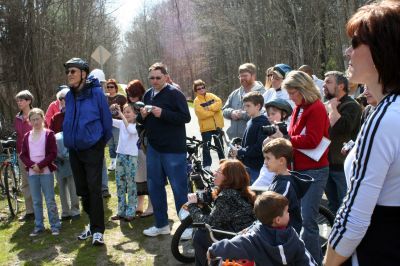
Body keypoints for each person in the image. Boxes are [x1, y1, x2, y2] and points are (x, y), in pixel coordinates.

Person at [325, 1, 400, 265]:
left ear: (383, 50)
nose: (348, 52)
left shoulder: (385, 117)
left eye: (356, 43)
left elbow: (354, 217)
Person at [137, 62, 191, 237]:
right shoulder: (147, 94)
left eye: (158, 77)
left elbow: (186, 117)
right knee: (155, 187)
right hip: (153, 149)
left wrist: (164, 113)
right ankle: (161, 225)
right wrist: (142, 116)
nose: (154, 81)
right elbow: (142, 121)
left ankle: (187, 227)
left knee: (179, 188)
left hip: (174, 150)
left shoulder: (175, 94)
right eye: (151, 78)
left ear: (166, 77)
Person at [63, 58, 112, 246]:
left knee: (94, 189)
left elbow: (106, 121)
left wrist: (99, 144)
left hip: (93, 148)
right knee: (82, 190)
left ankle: (98, 230)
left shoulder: (97, 93)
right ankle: (92, 224)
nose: (69, 75)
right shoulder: (69, 95)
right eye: (68, 72)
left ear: (83, 73)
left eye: (73, 71)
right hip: (74, 149)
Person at [283, 70, 330, 264]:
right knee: (301, 219)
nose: (290, 97)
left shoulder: (316, 107)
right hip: (299, 169)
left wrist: (286, 140)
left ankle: (314, 262)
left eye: (293, 93)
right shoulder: (299, 107)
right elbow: (295, 133)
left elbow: (312, 140)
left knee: (308, 222)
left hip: (314, 170)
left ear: (303, 89)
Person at [207, 191, 317, 266]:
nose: (289, 214)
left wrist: (213, 250)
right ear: (278, 220)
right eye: (287, 211)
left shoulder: (254, 237)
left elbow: (233, 244)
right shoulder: (292, 236)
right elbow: (305, 258)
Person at [187, 159, 256, 266]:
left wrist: (192, 205)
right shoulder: (242, 191)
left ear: (228, 178)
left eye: (218, 172)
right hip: (247, 237)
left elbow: (207, 223)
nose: (214, 173)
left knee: (200, 235)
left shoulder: (227, 196)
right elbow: (220, 216)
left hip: (237, 240)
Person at [323, 71, 361, 214]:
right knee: (333, 206)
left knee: (345, 206)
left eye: (328, 82)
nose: (324, 86)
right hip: (327, 164)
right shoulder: (327, 105)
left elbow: (342, 128)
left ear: (340, 86)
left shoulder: (352, 105)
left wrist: (332, 108)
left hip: (343, 165)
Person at [19, 108, 61, 236]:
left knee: (49, 199)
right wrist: (33, 166)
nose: (36, 122)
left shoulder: (49, 134)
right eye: (33, 120)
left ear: (43, 119)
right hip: (32, 173)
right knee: (36, 201)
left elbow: (53, 153)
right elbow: (23, 155)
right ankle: (39, 226)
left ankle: (55, 225)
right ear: (29, 121)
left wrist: (41, 165)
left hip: (46, 171)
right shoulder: (27, 136)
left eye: (38, 119)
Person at [263, 138, 312, 233]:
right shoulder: (279, 178)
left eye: (268, 158)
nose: (265, 162)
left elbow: (271, 211)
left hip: (283, 234)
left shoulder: (285, 185)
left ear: (281, 161)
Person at [50, 88, 80, 221]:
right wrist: (55, 154)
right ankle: (65, 211)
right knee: (61, 184)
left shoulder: (76, 114)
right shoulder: (55, 117)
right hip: (57, 156)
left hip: (72, 153)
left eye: (65, 98)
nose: (62, 101)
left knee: (73, 184)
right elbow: (50, 136)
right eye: (60, 99)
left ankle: (75, 210)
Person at [125, 80, 153, 218]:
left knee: (150, 176)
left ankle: (151, 205)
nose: (131, 97)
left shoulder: (146, 105)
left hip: (146, 145)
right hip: (133, 146)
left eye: (134, 94)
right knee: (138, 176)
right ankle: (139, 205)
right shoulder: (129, 105)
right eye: (129, 94)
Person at [252, 98, 293, 188]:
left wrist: (282, 138)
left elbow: (291, 152)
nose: (269, 117)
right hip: (265, 173)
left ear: (284, 114)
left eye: (273, 114)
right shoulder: (270, 129)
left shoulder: (290, 130)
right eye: (268, 114)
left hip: (276, 176)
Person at [231, 92, 269, 183]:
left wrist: (240, 151)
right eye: (244, 106)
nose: (245, 109)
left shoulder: (263, 123)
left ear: (258, 106)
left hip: (256, 168)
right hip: (247, 166)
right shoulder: (250, 120)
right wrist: (239, 147)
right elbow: (248, 142)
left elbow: (259, 148)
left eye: (248, 106)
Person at [110, 103, 138, 222]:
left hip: (131, 157)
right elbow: (108, 120)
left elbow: (131, 130)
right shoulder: (121, 123)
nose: (126, 114)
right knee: (120, 183)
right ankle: (121, 210)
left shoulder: (137, 125)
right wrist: (111, 109)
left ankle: (131, 211)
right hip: (120, 155)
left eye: (128, 112)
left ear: (135, 114)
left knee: (131, 184)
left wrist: (121, 114)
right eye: (124, 111)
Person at [222, 63, 266, 139]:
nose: (242, 78)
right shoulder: (235, 93)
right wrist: (231, 113)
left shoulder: (263, 93)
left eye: (245, 76)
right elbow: (224, 110)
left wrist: (242, 115)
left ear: (253, 76)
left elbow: (264, 115)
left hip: (252, 140)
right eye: (240, 76)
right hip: (233, 140)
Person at [88, 69, 111, 198]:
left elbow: (105, 118)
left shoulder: (102, 96)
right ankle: (95, 189)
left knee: (101, 162)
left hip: (98, 136)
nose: (101, 86)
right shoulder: (86, 96)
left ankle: (103, 188)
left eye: (102, 83)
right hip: (89, 135)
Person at [193, 79, 224, 170]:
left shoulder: (211, 96)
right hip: (206, 129)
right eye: (199, 89)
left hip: (217, 126)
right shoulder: (197, 101)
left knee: (220, 146)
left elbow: (219, 103)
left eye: (203, 87)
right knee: (206, 147)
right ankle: (207, 165)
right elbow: (201, 114)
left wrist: (209, 107)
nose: (202, 90)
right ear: (196, 90)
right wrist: (214, 112)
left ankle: (223, 164)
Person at [14, 90, 34, 222]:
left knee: (37, 182)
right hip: (22, 154)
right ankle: (30, 211)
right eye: (18, 101)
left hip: (35, 153)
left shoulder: (35, 114)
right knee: (25, 183)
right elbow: (18, 134)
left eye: (21, 100)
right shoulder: (17, 117)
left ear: (28, 101)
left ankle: (39, 210)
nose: (19, 103)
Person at [106, 78, 127, 171]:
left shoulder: (121, 97)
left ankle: (119, 161)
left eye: (111, 87)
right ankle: (113, 162)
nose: (110, 88)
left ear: (116, 87)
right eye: (108, 87)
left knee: (117, 142)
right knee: (110, 144)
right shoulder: (104, 97)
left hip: (118, 123)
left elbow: (126, 109)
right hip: (107, 124)